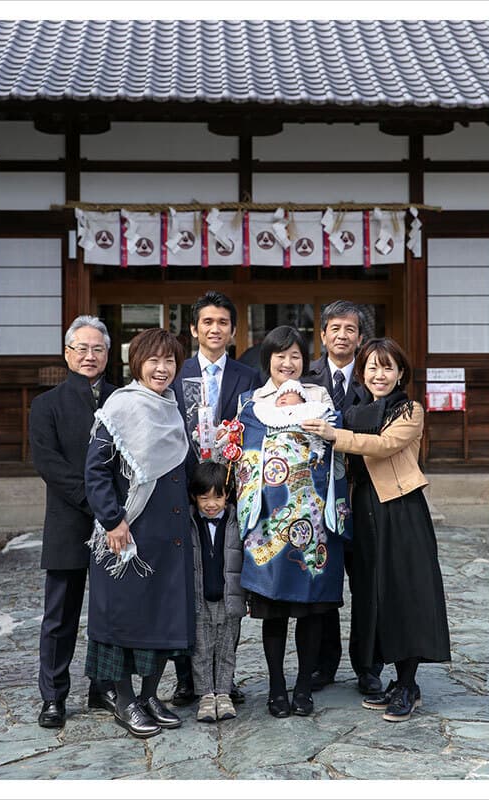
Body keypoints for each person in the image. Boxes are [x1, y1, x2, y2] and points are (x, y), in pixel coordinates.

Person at [301, 338, 451, 723]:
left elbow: (383, 446)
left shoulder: (409, 410)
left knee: (404, 594)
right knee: (374, 596)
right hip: (363, 511)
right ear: (362, 371)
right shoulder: (354, 411)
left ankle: (408, 684)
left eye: (387, 367)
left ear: (400, 373)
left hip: (400, 510)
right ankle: (387, 678)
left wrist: (335, 436)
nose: (379, 374)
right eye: (371, 367)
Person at [84, 328, 194, 739]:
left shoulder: (171, 406)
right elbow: (95, 471)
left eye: (170, 361)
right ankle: (125, 700)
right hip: (128, 534)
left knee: (164, 619)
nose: (162, 369)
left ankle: (150, 695)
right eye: (154, 360)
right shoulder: (120, 406)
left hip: (170, 536)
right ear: (138, 363)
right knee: (127, 621)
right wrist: (112, 521)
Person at [235, 325, 348, 719]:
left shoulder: (323, 401)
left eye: (296, 356)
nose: (288, 363)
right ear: (268, 360)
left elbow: (336, 456)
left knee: (312, 610)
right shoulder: (250, 403)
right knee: (275, 611)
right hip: (269, 525)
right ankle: (276, 687)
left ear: (305, 360)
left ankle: (304, 686)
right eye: (280, 356)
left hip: (315, 524)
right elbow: (243, 461)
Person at [170, 290, 261, 706]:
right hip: (184, 492)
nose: (215, 329)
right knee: (185, 584)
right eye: (207, 322)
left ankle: (226, 677)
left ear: (233, 330)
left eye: (222, 322)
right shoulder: (176, 373)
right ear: (194, 329)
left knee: (226, 586)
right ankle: (187, 677)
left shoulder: (248, 377)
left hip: (229, 494)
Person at [28, 315, 117, 729]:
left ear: (108, 354)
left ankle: (105, 685)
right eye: (81, 348)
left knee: (109, 611)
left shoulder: (121, 399)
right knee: (60, 616)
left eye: (97, 348)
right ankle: (54, 696)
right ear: (67, 353)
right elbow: (50, 465)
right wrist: (96, 504)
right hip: (69, 523)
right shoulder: (46, 405)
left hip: (117, 525)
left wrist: (114, 511)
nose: (89, 355)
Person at [304, 300, 383, 695]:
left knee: (366, 584)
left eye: (349, 329)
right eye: (334, 328)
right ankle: (324, 663)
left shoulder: (374, 378)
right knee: (323, 582)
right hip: (317, 500)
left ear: (360, 337)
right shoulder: (304, 377)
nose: (341, 335)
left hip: (362, 496)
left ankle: (368, 666)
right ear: (322, 335)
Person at [188, 461, 247, 723]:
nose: (211, 504)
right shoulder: (189, 523)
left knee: (226, 648)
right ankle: (205, 696)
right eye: (204, 498)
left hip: (230, 596)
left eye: (218, 497)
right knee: (201, 649)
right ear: (195, 497)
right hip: (199, 597)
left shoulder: (238, 521)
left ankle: (223, 693)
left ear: (228, 495)